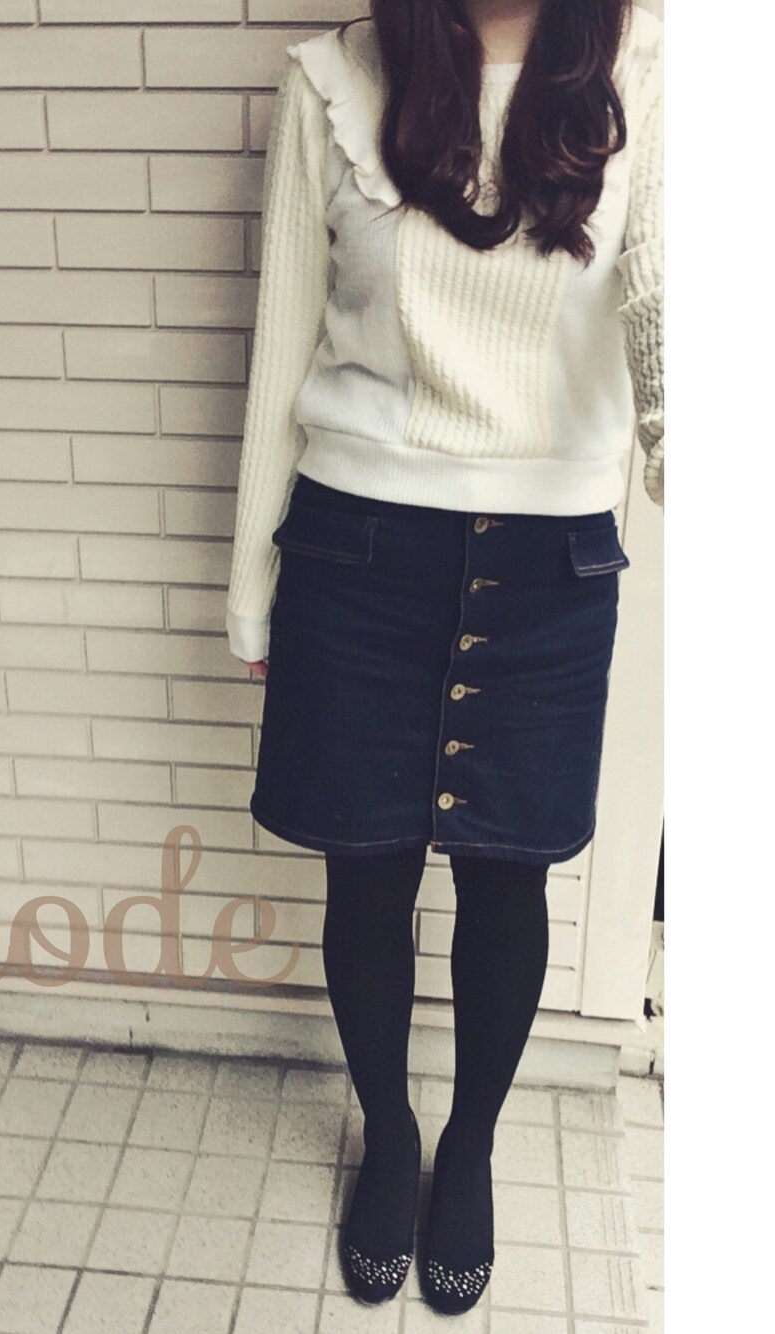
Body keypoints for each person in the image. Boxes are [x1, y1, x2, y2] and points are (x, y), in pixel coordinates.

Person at [225, 0, 662, 1314]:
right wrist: (254, 593)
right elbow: (282, 341)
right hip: (356, 549)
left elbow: (669, 301)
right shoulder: (331, 83)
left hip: (551, 565)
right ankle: (390, 1128)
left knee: (507, 881)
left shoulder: (650, 75)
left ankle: (468, 1147)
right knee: (367, 875)